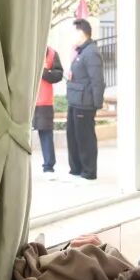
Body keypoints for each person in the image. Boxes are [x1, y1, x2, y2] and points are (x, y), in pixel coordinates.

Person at [66, 18, 105, 180]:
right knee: (73, 137)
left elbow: (97, 81)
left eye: (74, 32)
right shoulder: (81, 51)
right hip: (75, 101)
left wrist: (96, 104)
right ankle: (76, 170)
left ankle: (88, 172)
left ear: (82, 33)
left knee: (85, 138)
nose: (72, 36)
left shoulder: (91, 52)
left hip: (85, 103)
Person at [35, 46, 64, 173]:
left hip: (44, 101)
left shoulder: (51, 53)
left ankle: (48, 167)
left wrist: (44, 72)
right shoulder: (24, 49)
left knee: (46, 133)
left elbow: (59, 75)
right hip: (25, 101)